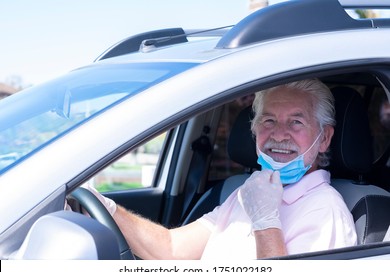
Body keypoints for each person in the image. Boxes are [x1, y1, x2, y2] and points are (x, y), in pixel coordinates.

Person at [78, 78, 357, 259]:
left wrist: (267, 223)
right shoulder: (248, 192)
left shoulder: (325, 211)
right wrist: (108, 208)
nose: (279, 134)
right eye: (268, 120)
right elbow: (172, 250)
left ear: (325, 138)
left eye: (296, 122)